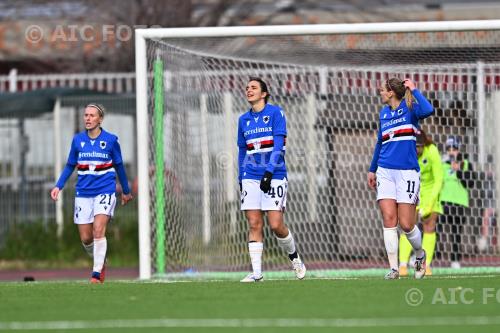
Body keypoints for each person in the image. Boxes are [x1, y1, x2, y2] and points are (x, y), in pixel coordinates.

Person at [50, 104, 133, 283]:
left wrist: (126, 191)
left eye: (91, 115)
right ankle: (100, 260)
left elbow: (119, 166)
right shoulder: (78, 140)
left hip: (105, 190)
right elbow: (70, 165)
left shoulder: (111, 140)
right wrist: (59, 185)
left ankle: (96, 274)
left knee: (98, 230)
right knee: (86, 238)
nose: (87, 118)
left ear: (100, 119)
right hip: (83, 193)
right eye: (85, 115)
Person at [237, 77, 306, 282]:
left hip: (274, 174)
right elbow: (242, 150)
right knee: (254, 223)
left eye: (254, 87)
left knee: (276, 224)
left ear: (264, 93)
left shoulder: (276, 113)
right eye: (247, 87)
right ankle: (257, 273)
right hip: (250, 174)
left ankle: (294, 258)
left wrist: (268, 172)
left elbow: (279, 147)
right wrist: (241, 177)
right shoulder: (243, 120)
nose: (249, 90)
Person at [367, 77, 434, 279]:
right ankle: (394, 268)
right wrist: (372, 169)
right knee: (389, 219)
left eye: (382, 90)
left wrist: (414, 90)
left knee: (406, 224)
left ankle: (420, 255)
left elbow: (428, 110)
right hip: (385, 171)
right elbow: (380, 142)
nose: (380, 92)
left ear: (391, 93)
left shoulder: (410, 107)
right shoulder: (383, 113)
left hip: (407, 172)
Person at [399, 130, 443, 276]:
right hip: (412, 189)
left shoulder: (432, 151)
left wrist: (430, 204)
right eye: (415, 146)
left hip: (430, 191)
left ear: (424, 145)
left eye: (420, 146)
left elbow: (439, 179)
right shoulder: (406, 152)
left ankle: (425, 265)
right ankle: (403, 265)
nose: (417, 149)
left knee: (429, 226)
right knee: (407, 226)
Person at [439, 136, 473, 269]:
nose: (451, 151)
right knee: (435, 229)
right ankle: (427, 257)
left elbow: (470, 183)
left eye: (454, 148)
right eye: (449, 149)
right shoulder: (441, 164)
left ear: (459, 149)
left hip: (459, 202)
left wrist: (458, 170)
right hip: (443, 201)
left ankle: (455, 260)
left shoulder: (465, 163)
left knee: (456, 232)